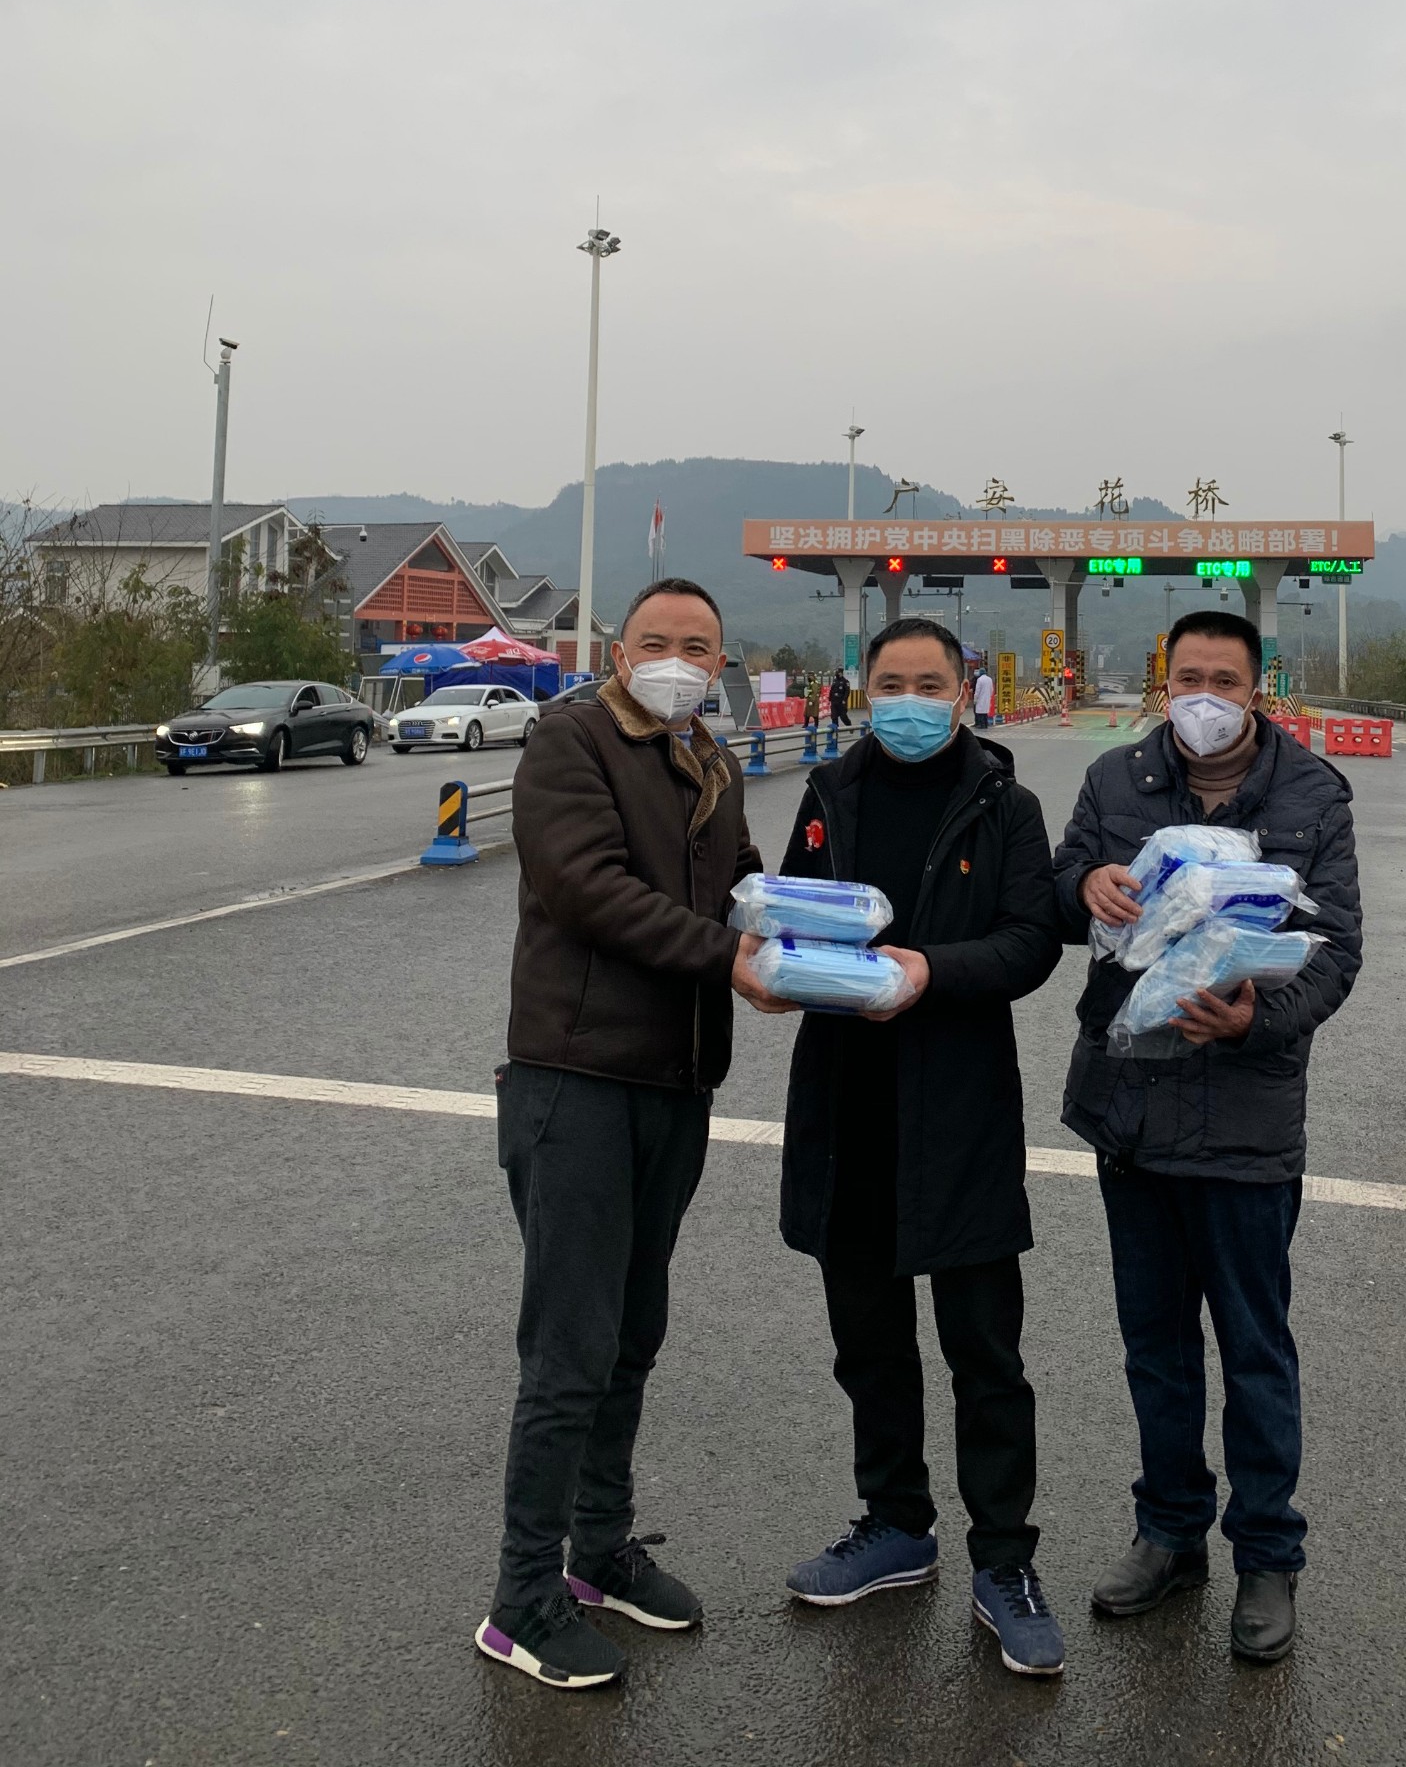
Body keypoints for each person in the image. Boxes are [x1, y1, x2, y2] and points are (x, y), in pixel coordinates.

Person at [477, 576, 788, 1690]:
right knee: (569, 1348)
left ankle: (599, 1549)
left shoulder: (705, 756)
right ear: (618, 652)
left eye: (698, 648)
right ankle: (522, 1598)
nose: (676, 661)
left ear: (720, 663)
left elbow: (737, 887)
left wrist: (798, 929)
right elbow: (587, 889)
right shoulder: (571, 742)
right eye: (657, 641)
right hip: (577, 1077)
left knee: (632, 1332)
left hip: (674, 1081)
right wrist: (732, 958)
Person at [1051, 610, 1361, 1665]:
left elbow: (1335, 950)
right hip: (1130, 1106)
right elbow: (1059, 889)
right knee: (1155, 1345)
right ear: (1164, 681)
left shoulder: (1310, 793)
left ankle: (1267, 1553)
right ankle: (1169, 1532)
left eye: (1224, 680)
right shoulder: (1115, 781)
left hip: (1245, 1115)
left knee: (1254, 1348)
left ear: (1255, 688)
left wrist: (1254, 1020)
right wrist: (1082, 886)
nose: (1204, 698)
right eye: (1188, 677)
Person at [772, 615, 1068, 1676]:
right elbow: (792, 912)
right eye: (889, 682)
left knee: (985, 1352)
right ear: (862, 690)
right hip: (846, 1102)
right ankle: (895, 1522)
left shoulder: (1003, 803)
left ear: (962, 691)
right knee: (868, 1342)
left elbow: (1030, 941)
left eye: (928, 683)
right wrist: (776, 964)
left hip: (959, 1107)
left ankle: (1005, 1559)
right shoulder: (828, 792)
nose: (907, 700)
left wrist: (930, 972)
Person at [973, 664, 996, 729]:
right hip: (987, 698)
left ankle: (981, 725)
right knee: (985, 712)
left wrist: (975, 699)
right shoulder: (989, 679)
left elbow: (977, 690)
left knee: (980, 713)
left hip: (980, 698)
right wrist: (989, 696)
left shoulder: (979, 680)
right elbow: (991, 689)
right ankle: (985, 724)